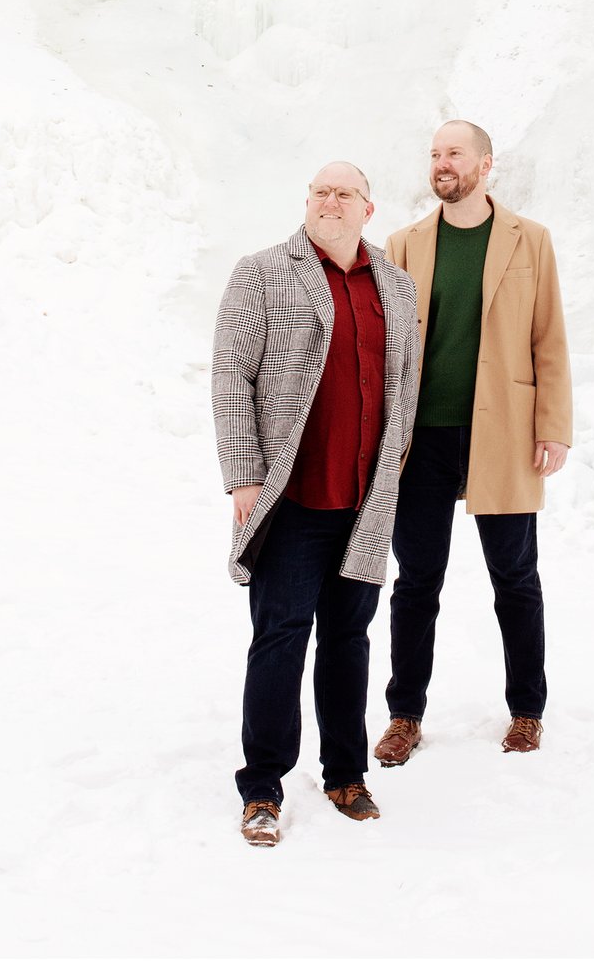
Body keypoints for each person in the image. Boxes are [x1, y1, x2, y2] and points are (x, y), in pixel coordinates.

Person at [213, 162, 422, 848]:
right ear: (308, 202)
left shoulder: (394, 284)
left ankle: (344, 774)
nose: (330, 202)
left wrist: (389, 473)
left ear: (368, 208)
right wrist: (245, 476)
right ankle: (263, 787)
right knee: (279, 640)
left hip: (363, 502)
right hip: (291, 496)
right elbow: (230, 375)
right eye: (320, 191)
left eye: (344, 193)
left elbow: (405, 390)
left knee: (348, 640)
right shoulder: (262, 272)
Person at [373, 120, 573, 765]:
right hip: (421, 438)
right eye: (434, 153)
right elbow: (382, 348)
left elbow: (549, 339)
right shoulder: (403, 245)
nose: (441, 163)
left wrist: (554, 426)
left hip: (504, 431)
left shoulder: (530, 241)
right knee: (416, 581)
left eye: (454, 153)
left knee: (515, 577)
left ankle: (526, 710)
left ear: (487, 164)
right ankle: (405, 715)